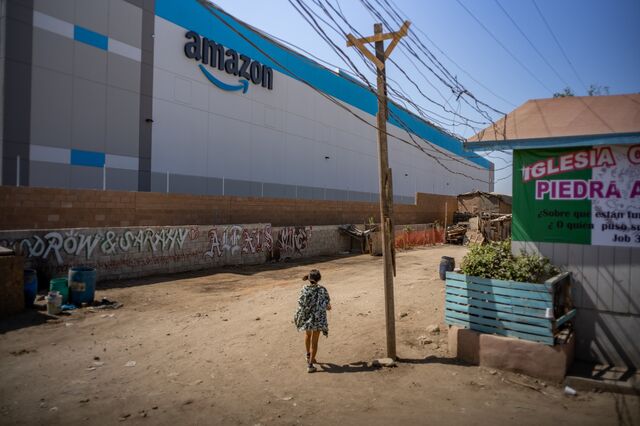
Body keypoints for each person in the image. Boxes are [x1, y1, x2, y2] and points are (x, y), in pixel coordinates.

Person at [293, 269, 331, 373]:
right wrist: (326, 307)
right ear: (319, 279)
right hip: (318, 320)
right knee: (315, 342)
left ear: (309, 279)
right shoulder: (322, 290)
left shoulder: (304, 289)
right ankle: (310, 365)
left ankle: (308, 356)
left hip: (307, 319)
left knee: (308, 336)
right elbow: (327, 305)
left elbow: (300, 303)